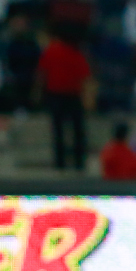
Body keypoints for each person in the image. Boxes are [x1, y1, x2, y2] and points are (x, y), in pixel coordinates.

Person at [35, 26, 93, 171]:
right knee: (77, 130)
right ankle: (79, 162)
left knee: (59, 130)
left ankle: (60, 163)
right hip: (71, 96)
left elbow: (42, 75)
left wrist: (37, 93)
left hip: (57, 95)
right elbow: (85, 78)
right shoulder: (76, 53)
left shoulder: (52, 51)